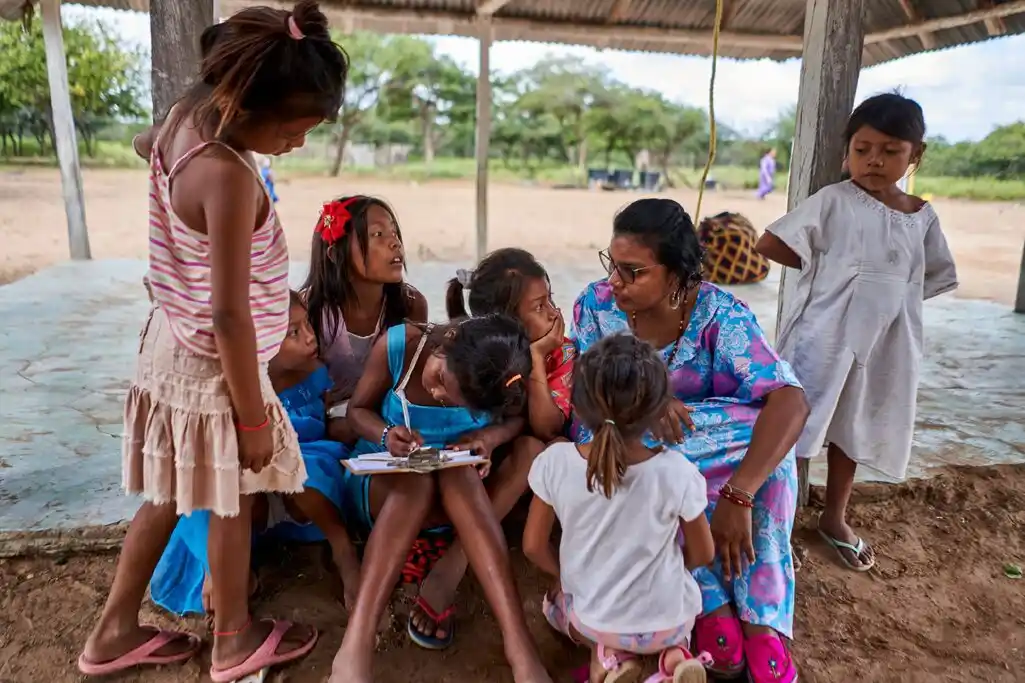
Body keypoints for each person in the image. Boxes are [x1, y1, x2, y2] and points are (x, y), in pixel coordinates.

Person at [77, 3, 348, 681]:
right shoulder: (228, 173)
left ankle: (112, 629)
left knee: (169, 491)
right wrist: (253, 414)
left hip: (170, 340)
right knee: (231, 491)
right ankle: (232, 637)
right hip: (213, 361)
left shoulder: (181, 122)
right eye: (294, 129)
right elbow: (230, 314)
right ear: (249, 106)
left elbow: (146, 147)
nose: (297, 143)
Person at [573, 198, 810, 683]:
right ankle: (712, 600)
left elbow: (789, 400)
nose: (614, 283)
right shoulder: (596, 306)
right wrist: (646, 399)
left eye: (632, 272)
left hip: (709, 454)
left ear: (678, 275)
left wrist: (739, 494)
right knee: (652, 462)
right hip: (624, 444)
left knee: (768, 445)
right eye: (611, 265)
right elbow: (579, 393)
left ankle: (759, 624)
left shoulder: (720, 315)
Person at [755, 93, 958, 573]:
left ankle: (834, 518)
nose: (874, 160)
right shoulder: (833, 202)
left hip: (886, 344)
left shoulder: (922, 216)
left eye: (891, 151)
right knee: (799, 425)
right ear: (847, 150)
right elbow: (770, 241)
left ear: (916, 155)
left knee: (857, 425)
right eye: (863, 148)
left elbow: (933, 275)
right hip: (822, 337)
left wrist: (888, 301)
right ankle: (779, 525)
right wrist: (826, 271)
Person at [328, 315, 553, 683]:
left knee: (462, 469)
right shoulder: (400, 346)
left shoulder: (495, 375)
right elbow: (356, 412)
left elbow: (516, 421)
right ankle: (355, 646)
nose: (438, 395)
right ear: (447, 342)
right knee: (416, 483)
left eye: (453, 400)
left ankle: (519, 646)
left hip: (458, 499)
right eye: (438, 382)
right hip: (388, 491)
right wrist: (386, 435)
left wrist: (489, 439)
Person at [393, 248, 575, 649]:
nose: (554, 312)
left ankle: (454, 563)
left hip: (515, 470)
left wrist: (537, 358)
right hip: (457, 463)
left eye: (550, 299)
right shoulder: (473, 352)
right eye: (540, 305)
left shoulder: (557, 352)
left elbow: (546, 427)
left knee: (535, 448)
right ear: (507, 320)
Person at [149, 292, 362, 617]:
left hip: (304, 486)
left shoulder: (317, 372)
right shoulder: (232, 388)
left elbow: (330, 426)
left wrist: (367, 425)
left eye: (307, 325)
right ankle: (219, 569)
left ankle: (342, 547)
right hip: (251, 496)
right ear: (258, 345)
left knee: (306, 469)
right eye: (293, 332)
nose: (309, 337)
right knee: (217, 485)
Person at [524, 334, 715, 683]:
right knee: (675, 605)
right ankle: (675, 658)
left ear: (577, 408)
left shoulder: (555, 462)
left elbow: (533, 546)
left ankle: (607, 659)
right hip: (670, 622)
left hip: (598, 622)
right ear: (659, 412)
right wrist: (668, 571)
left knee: (555, 608)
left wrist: (564, 579)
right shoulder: (677, 472)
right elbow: (703, 554)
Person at [302, 194, 427, 401]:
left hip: (383, 421)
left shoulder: (411, 305)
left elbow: (409, 383)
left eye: (394, 232)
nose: (395, 243)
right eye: (378, 234)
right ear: (335, 255)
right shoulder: (308, 310)